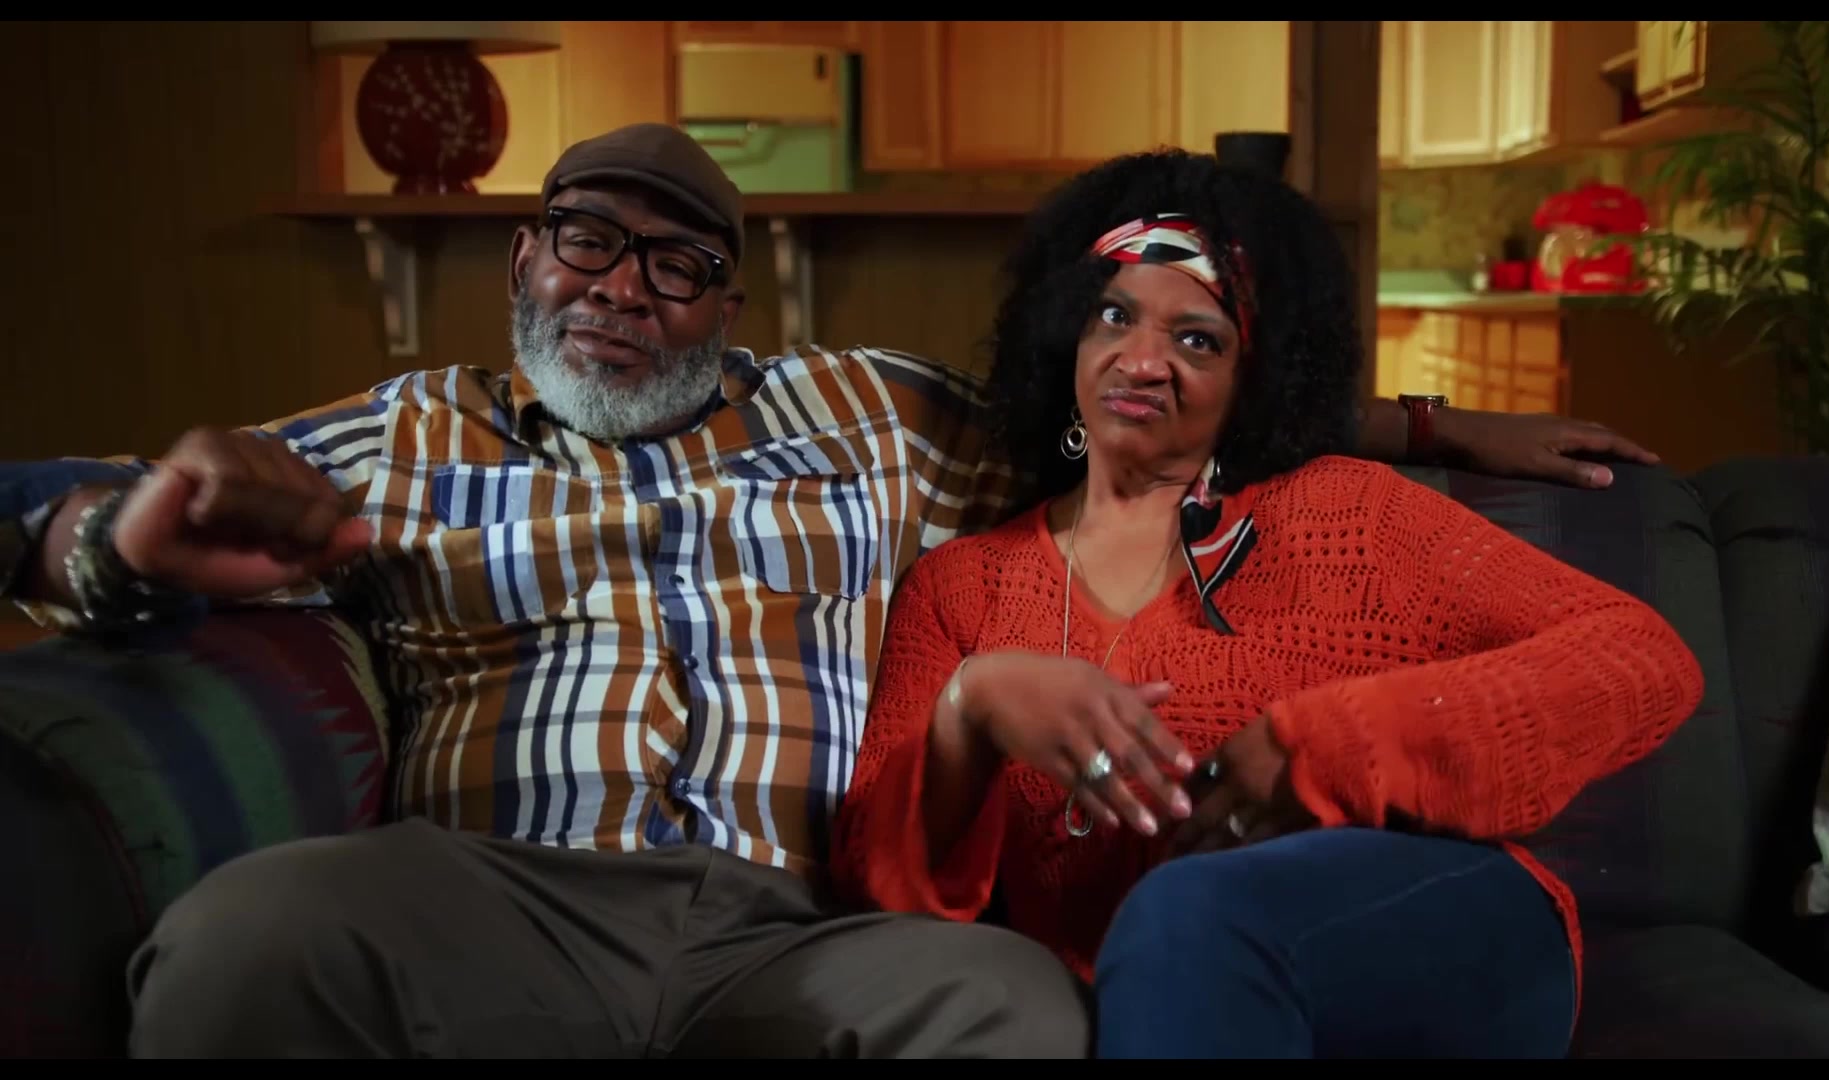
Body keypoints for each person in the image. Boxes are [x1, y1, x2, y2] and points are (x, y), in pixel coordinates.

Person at [0, 124, 1658, 1059]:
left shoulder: (864, 416)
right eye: (588, 240)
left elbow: (1163, 397)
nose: (624, 289)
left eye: (680, 262)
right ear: (523, 257)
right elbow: (103, 505)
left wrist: (1436, 422)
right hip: (495, 890)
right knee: (246, 940)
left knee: (1009, 1008)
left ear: (731, 303)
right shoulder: (405, 434)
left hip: (794, 930)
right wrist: (110, 541)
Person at [827, 149, 1706, 1059]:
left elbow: (1640, 657)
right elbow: (870, 885)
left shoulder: (1348, 515)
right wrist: (970, 708)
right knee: (1172, 932)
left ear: (1256, 375)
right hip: (1173, 995)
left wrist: (1322, 748)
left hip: (1437, 935)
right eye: (1114, 316)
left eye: (1198, 340)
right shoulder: (962, 586)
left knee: (1185, 910)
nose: (1142, 361)